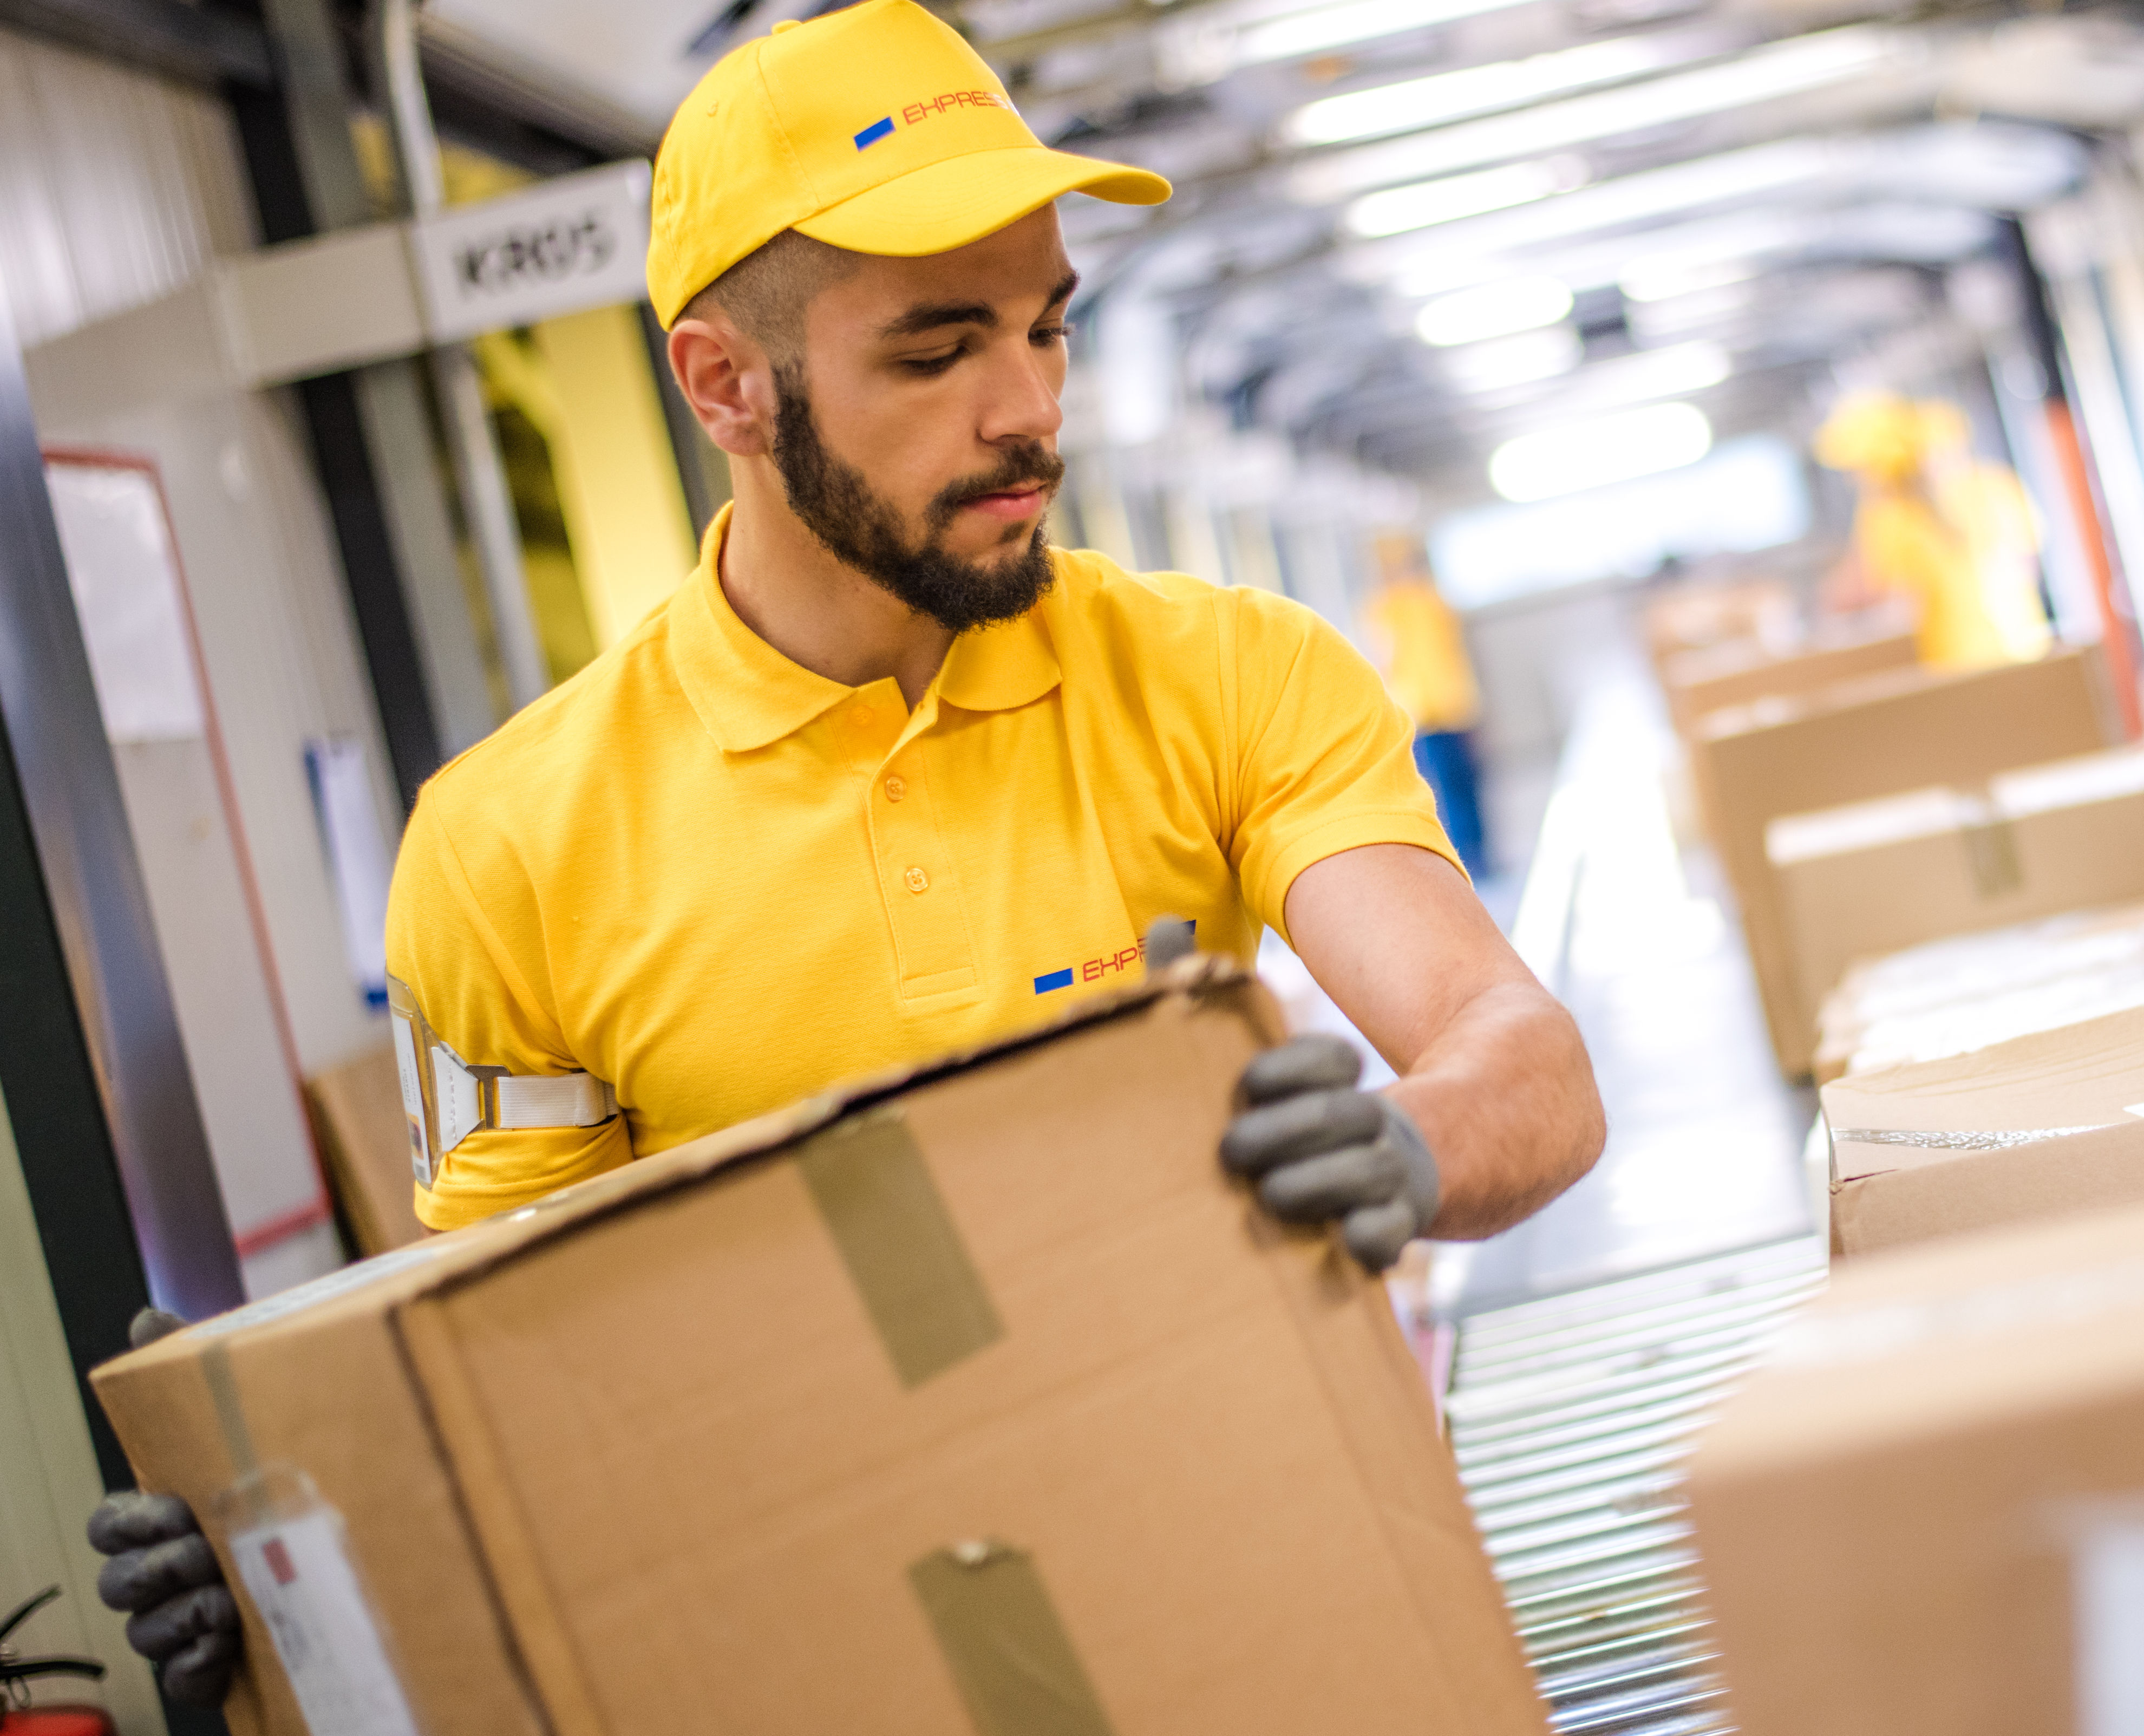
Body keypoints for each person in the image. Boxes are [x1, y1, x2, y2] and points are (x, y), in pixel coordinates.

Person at [88, 0, 1604, 1705]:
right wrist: (290, 1547)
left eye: (1047, 328)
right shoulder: (501, 847)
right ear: (727, 382)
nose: (1028, 410)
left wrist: (1406, 1146)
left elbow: (1521, 1055)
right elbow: (494, 1366)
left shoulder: (1230, 672)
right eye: (937, 351)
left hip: (1262, 1585)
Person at [1812, 391, 2045, 669]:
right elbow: (2027, 562)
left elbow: (1881, 596)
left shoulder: (1892, 518)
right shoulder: (1995, 484)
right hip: (2023, 648)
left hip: (1954, 663)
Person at [1362, 533, 1491, 877]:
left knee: (1464, 785)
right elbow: (1387, 660)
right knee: (1443, 791)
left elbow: (1452, 656)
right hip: (1424, 713)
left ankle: (1476, 855)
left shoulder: (1427, 603)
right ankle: (1466, 858)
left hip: (1451, 708)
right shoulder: (1389, 608)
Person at [1917, 399, 2053, 665]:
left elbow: (2027, 554)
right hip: (1957, 647)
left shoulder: (1995, 486)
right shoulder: (1915, 510)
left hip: (2014, 633)